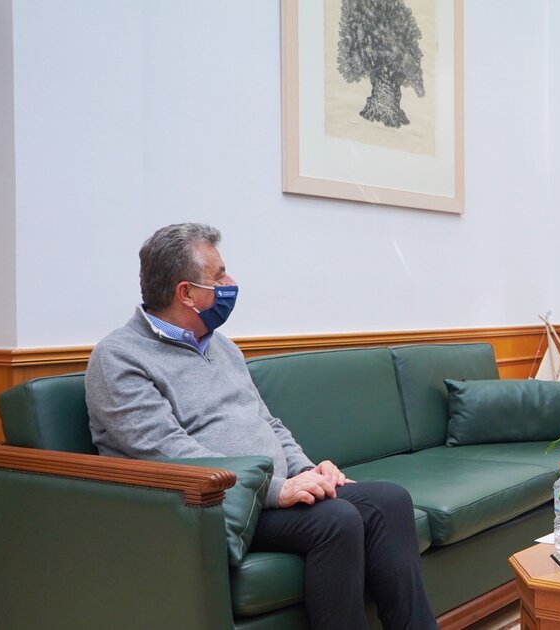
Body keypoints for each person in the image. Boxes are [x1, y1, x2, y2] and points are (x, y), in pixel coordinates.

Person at [84, 223, 436, 630]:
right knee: (336, 519)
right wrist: (274, 490)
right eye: (219, 276)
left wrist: (307, 471)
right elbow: (167, 451)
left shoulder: (221, 345)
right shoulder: (119, 358)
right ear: (186, 293)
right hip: (210, 509)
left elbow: (267, 422)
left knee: (390, 500)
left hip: (268, 493)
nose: (230, 283)